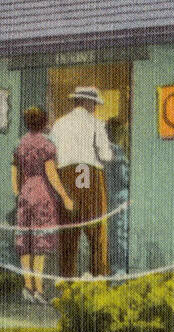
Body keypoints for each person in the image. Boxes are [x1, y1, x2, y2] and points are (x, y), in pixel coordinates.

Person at [12, 106, 76, 303]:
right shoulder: (47, 145)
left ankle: (27, 287)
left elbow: (14, 173)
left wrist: (18, 192)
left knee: (26, 243)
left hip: (25, 192)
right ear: (44, 122)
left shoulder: (20, 144)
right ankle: (38, 290)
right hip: (43, 194)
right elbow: (51, 173)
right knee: (39, 244)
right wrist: (65, 196)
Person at [48, 87, 114, 278]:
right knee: (97, 233)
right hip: (91, 178)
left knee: (68, 233)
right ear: (87, 103)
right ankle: (99, 277)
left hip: (67, 178)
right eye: (93, 104)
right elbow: (106, 155)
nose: (94, 108)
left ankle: (67, 280)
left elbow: (53, 155)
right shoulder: (96, 124)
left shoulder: (59, 124)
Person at [103, 118, 130, 274]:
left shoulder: (103, 150)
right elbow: (124, 177)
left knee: (112, 236)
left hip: (109, 198)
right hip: (120, 199)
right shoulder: (117, 150)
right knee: (120, 236)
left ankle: (113, 269)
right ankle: (119, 271)